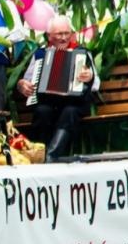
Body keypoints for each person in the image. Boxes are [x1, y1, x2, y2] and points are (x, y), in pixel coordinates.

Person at [15, 15, 98, 159]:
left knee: (70, 112)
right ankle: (40, 155)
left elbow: (96, 84)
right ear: (49, 36)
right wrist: (22, 85)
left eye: (67, 33)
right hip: (49, 103)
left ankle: (51, 156)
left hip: (75, 104)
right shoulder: (40, 55)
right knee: (42, 111)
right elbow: (26, 81)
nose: (64, 38)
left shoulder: (82, 53)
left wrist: (89, 76)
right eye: (59, 34)